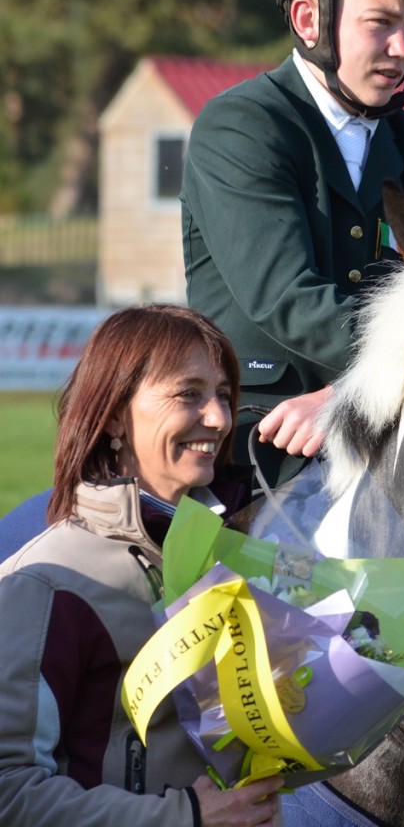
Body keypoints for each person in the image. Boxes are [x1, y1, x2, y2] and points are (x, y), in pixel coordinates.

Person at [181, 0, 404, 474]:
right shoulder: (242, 126)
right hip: (259, 446)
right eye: (381, 24)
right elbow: (286, 298)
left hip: (388, 433)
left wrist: (348, 397)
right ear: (309, 19)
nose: (403, 50)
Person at [0, 304, 282, 827]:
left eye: (222, 393)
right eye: (188, 393)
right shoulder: (44, 583)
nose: (220, 418)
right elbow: (9, 795)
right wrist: (189, 816)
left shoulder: (236, 552)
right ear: (112, 415)